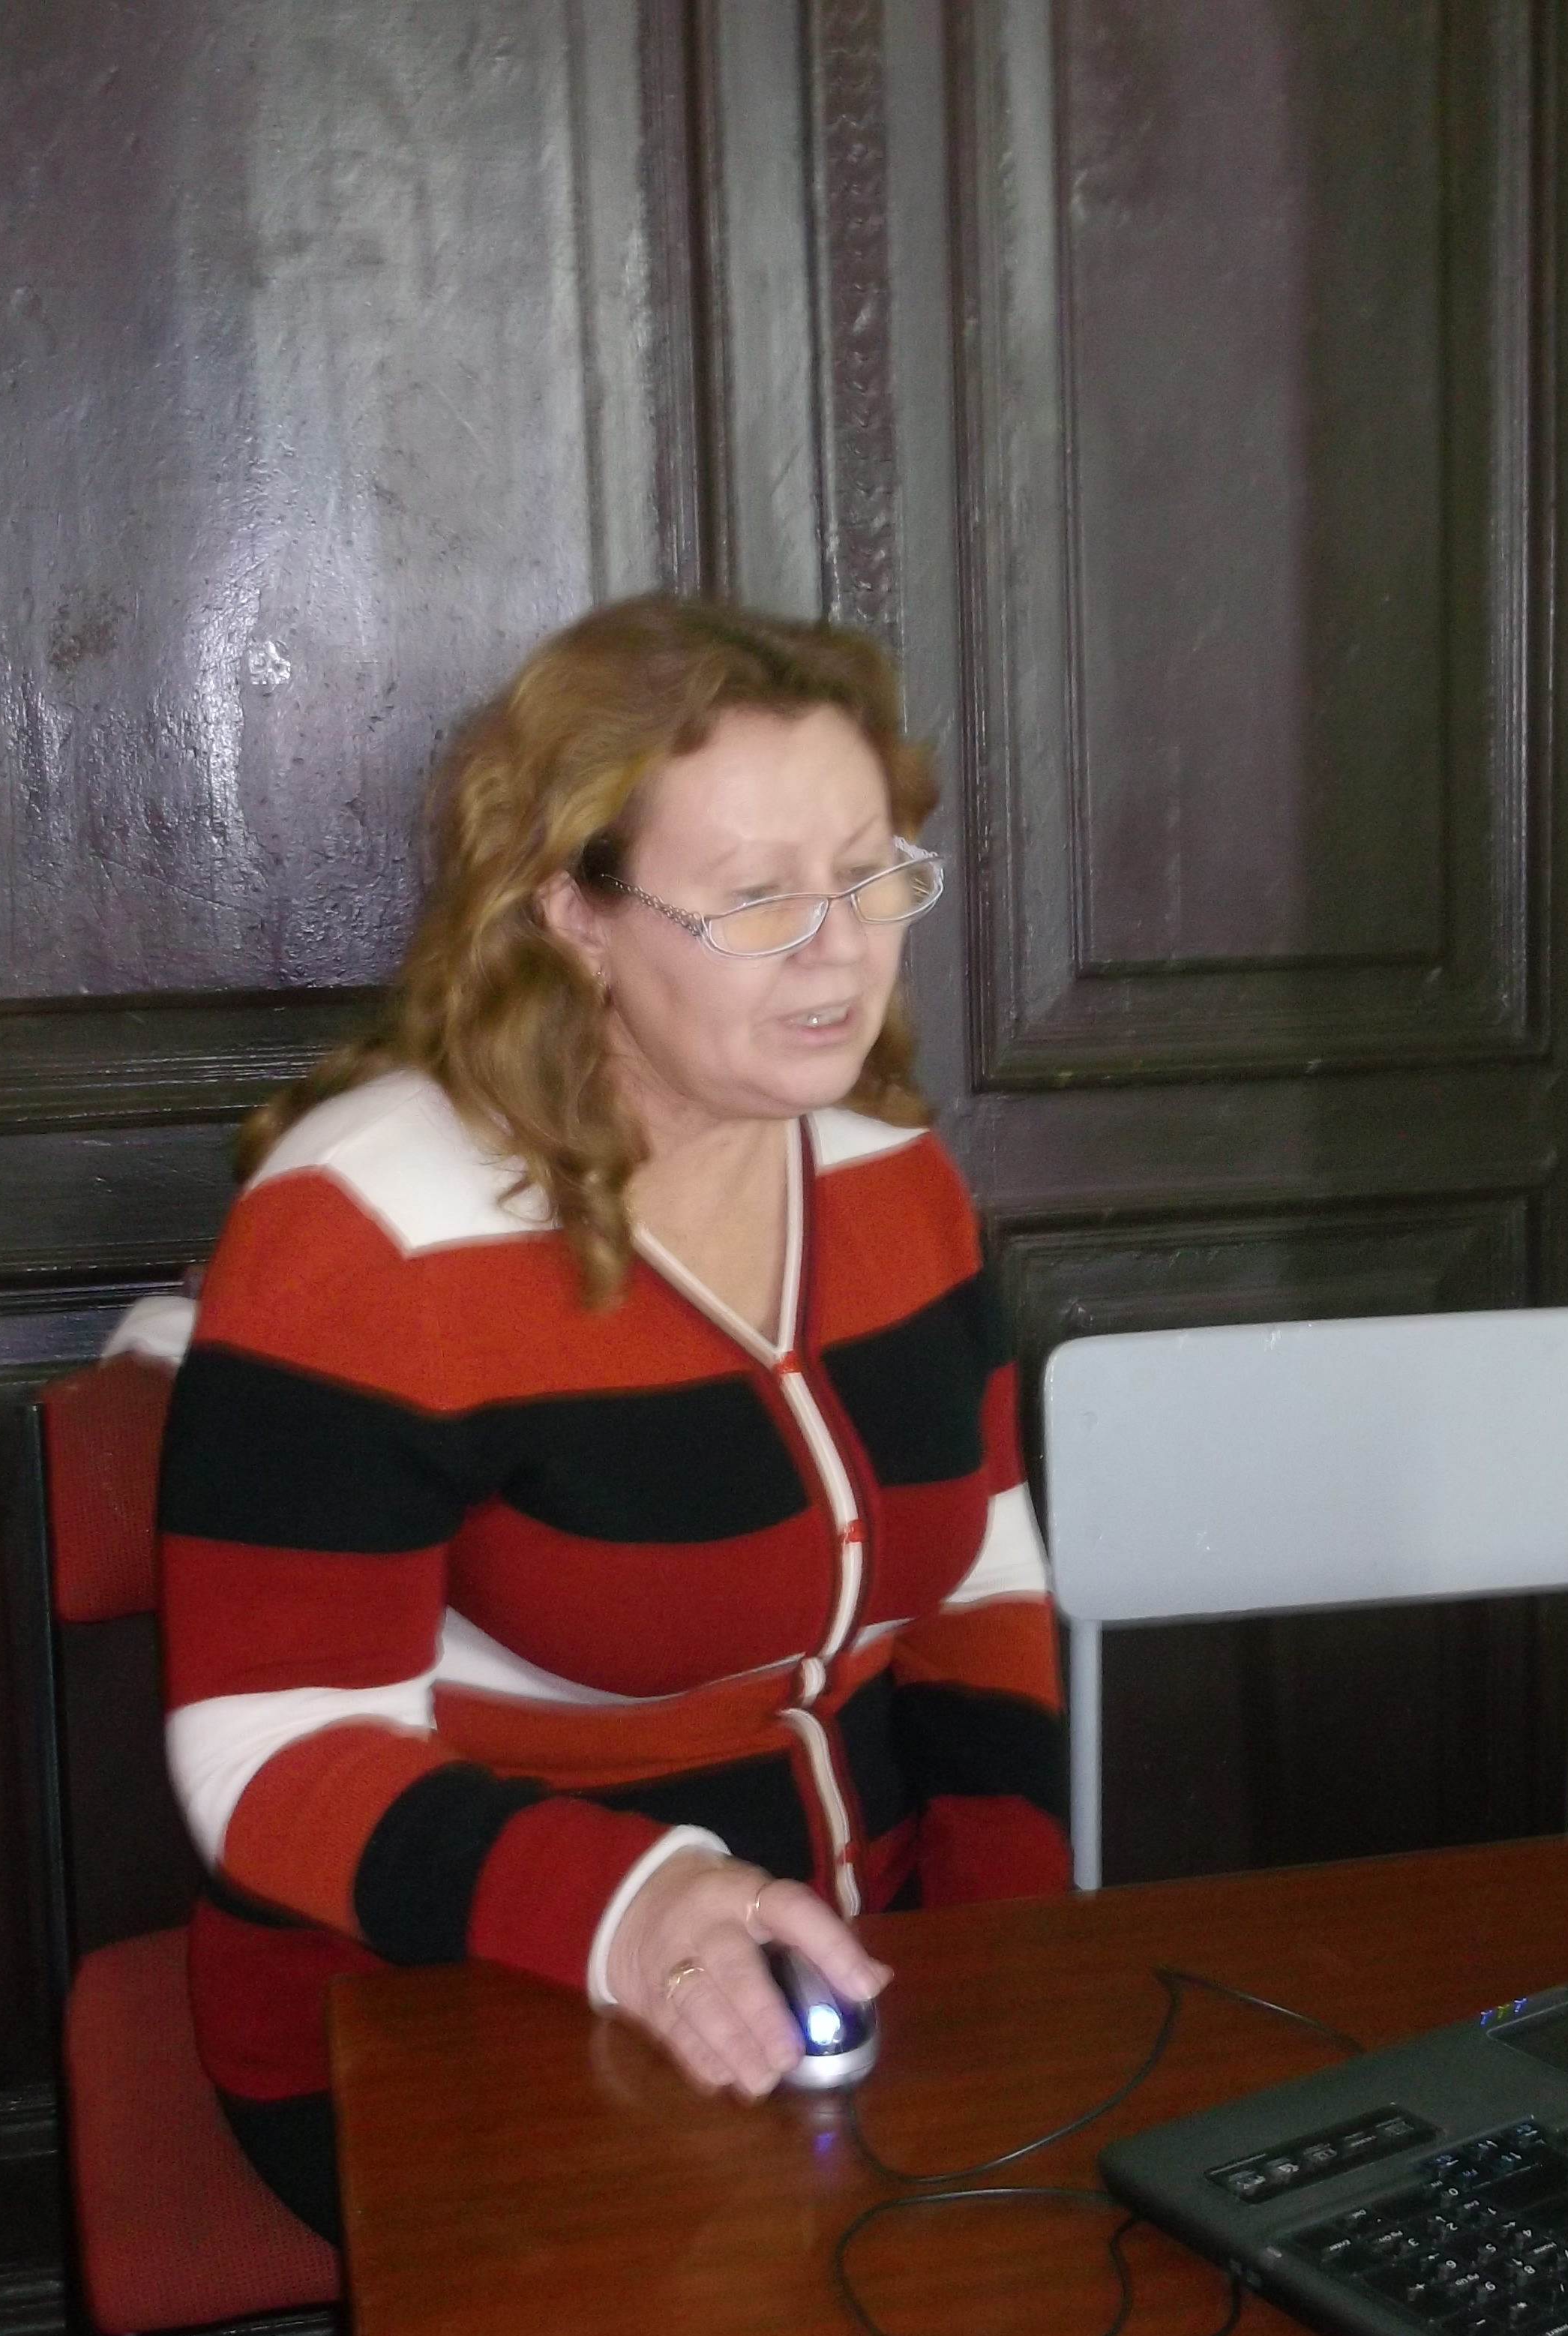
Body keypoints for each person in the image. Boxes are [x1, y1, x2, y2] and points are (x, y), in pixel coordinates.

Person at [157, 597, 1068, 2241]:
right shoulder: (368, 1232)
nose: (840, 948)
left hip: (860, 1968)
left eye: (870, 875)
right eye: (757, 898)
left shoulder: (894, 1176)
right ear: (572, 910)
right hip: (456, 1995)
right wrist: (639, 1911)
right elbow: (268, 1752)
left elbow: (980, 1577)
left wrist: (1005, 1932)